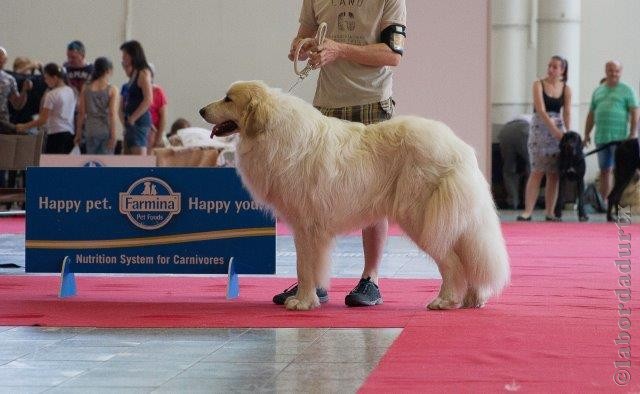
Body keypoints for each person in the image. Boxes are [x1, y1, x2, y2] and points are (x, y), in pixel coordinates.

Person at [272, 0, 407, 307]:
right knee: (315, 198)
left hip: (372, 102)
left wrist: (338, 49)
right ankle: (314, 280)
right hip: (326, 106)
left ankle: (370, 278)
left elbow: (392, 54)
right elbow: (302, 36)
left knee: (375, 193)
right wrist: (301, 48)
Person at [518, 55, 571, 222]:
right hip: (540, 128)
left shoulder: (566, 88)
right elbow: (540, 109)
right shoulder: (538, 84)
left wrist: (567, 133)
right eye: (549, 66)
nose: (550, 69)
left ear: (562, 70)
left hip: (558, 130)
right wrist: (554, 130)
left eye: (555, 67)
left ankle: (550, 211)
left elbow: (567, 112)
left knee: (553, 173)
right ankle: (528, 211)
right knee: (537, 170)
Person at [584, 60, 638, 205]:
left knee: (619, 172)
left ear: (621, 72)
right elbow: (591, 114)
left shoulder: (627, 90)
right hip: (601, 137)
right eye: (610, 70)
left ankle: (617, 204)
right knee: (604, 171)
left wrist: (633, 133)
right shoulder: (598, 90)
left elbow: (635, 112)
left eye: (617, 70)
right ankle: (604, 203)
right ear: (606, 71)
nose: (613, 73)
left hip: (621, 139)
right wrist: (586, 134)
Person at [16, 63, 76, 153]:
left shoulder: (51, 95)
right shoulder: (71, 91)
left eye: (46, 78)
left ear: (54, 78)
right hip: (69, 133)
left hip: (55, 134)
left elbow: (43, 119)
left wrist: (24, 126)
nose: (45, 81)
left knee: (51, 165)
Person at [74, 57, 118, 154]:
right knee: (105, 165)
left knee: (93, 163)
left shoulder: (85, 87)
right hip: (105, 130)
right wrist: (114, 135)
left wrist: (78, 133)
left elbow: (81, 112)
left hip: (90, 130)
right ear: (108, 70)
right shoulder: (112, 89)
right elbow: (112, 114)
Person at [119, 40, 153, 155]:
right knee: (128, 157)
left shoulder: (143, 74)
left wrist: (133, 118)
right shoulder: (133, 74)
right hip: (131, 122)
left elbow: (148, 99)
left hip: (138, 123)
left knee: (138, 158)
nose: (123, 59)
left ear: (133, 55)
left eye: (125, 55)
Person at [497, 114, 531, 210]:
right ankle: (528, 202)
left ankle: (513, 202)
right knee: (532, 169)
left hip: (505, 131)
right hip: (525, 129)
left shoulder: (524, 116)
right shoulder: (544, 119)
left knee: (509, 169)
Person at [9, 57, 47, 131]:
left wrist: (41, 70)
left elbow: (46, 81)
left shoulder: (33, 81)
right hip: (13, 117)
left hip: (28, 118)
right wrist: (29, 66)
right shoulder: (11, 79)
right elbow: (16, 74)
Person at [0, 47, 30, 133]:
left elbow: (17, 105)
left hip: (2, 122)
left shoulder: (8, 79)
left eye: (2, 60)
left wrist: (24, 90)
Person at [146, 65, 168, 152]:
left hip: (154, 134)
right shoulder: (135, 91)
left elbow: (163, 117)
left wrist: (158, 138)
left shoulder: (157, 91)